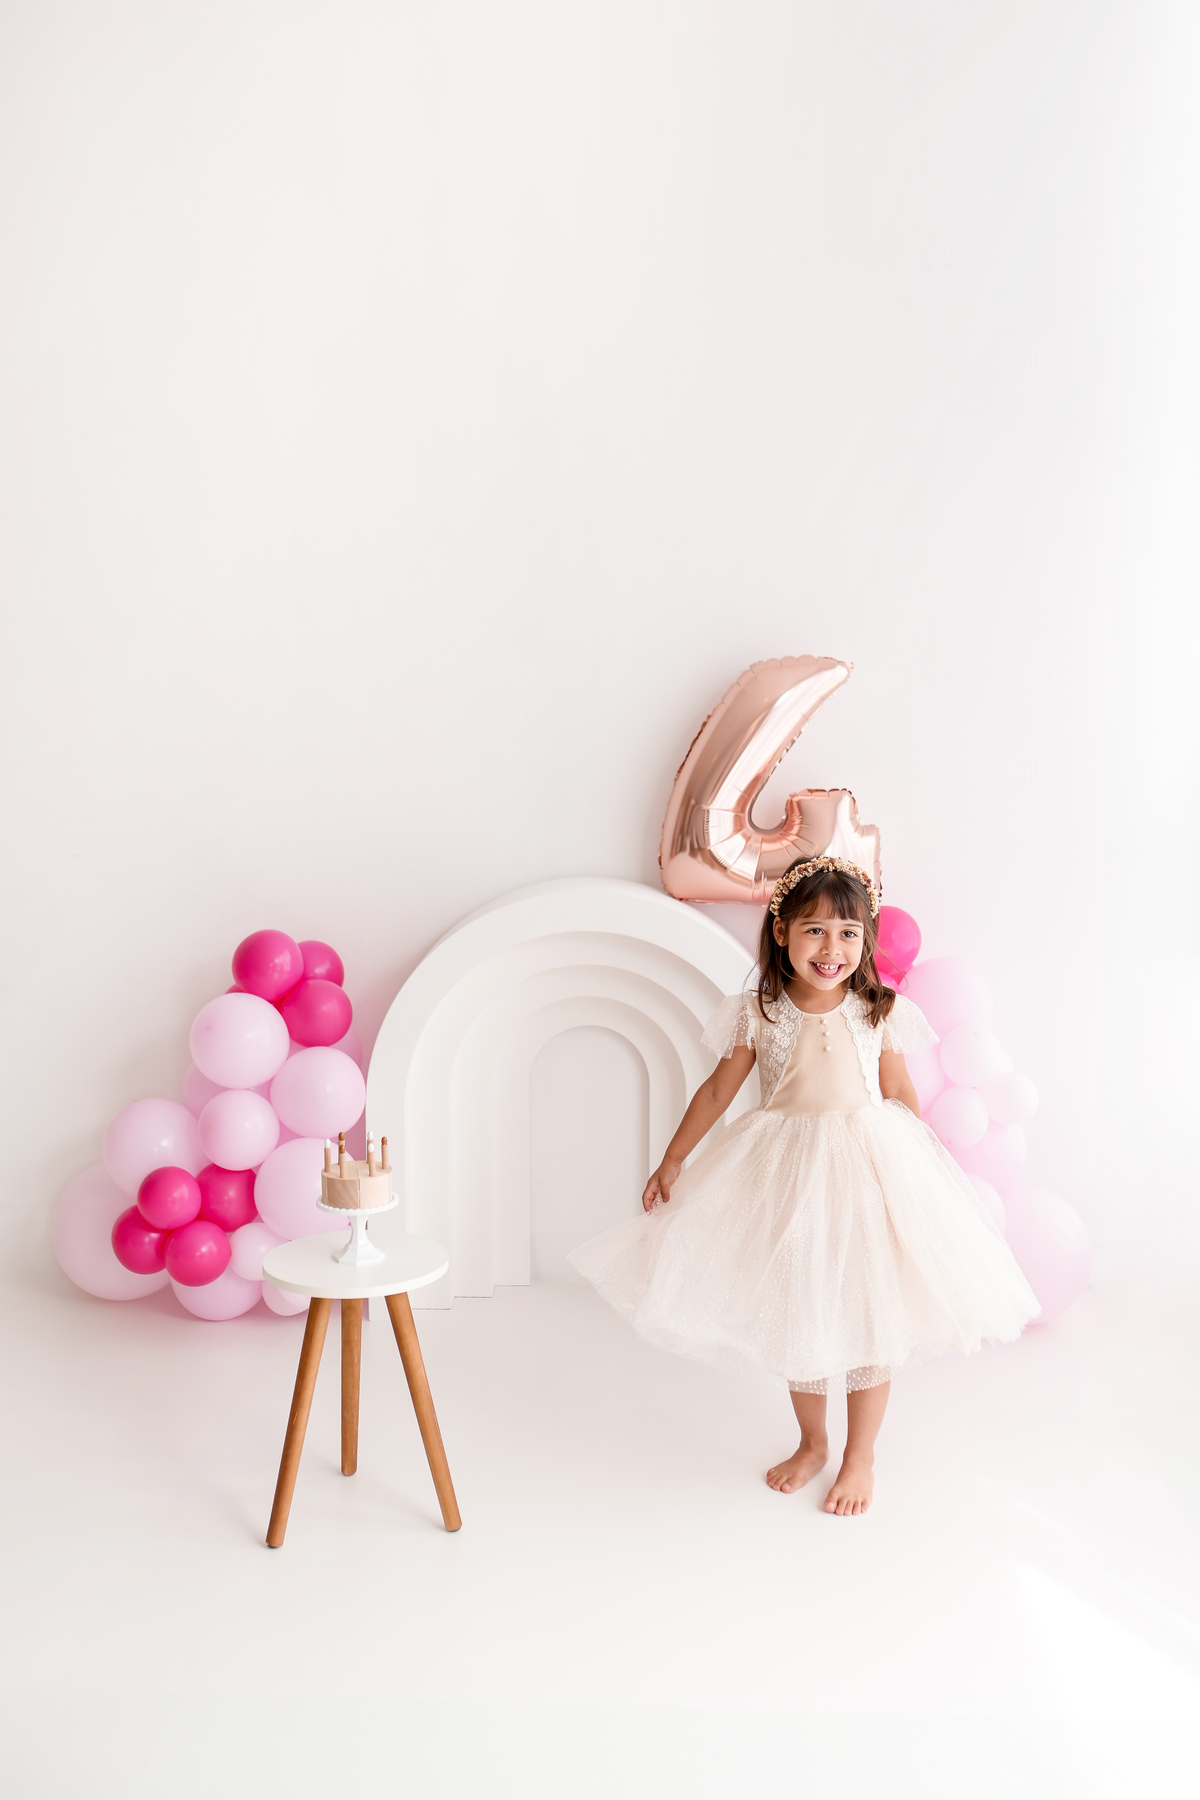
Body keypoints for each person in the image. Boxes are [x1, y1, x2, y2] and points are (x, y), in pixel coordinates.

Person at [568, 856, 1039, 1516]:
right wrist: (673, 1159)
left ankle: (860, 1455)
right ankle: (813, 1443)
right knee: (803, 1310)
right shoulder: (759, 1012)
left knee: (872, 1317)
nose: (831, 948)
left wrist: (921, 1170)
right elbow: (716, 1092)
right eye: (815, 930)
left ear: (865, 941)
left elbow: (899, 1092)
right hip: (787, 1174)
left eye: (848, 933)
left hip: (869, 1171)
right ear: (782, 932)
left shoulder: (877, 1010)